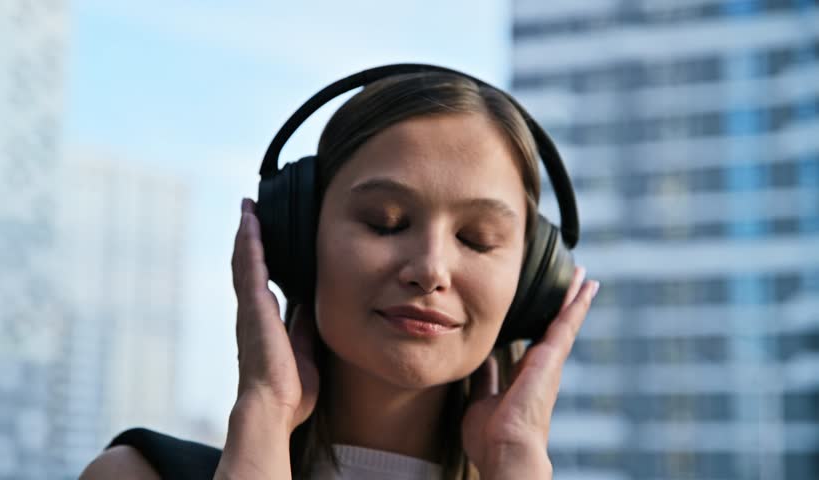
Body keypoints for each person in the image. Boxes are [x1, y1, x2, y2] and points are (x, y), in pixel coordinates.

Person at [80, 69, 599, 479]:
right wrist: (263, 421)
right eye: (385, 222)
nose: (430, 270)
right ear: (301, 237)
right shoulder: (133, 476)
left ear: (531, 281)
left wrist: (515, 462)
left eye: (476, 239)